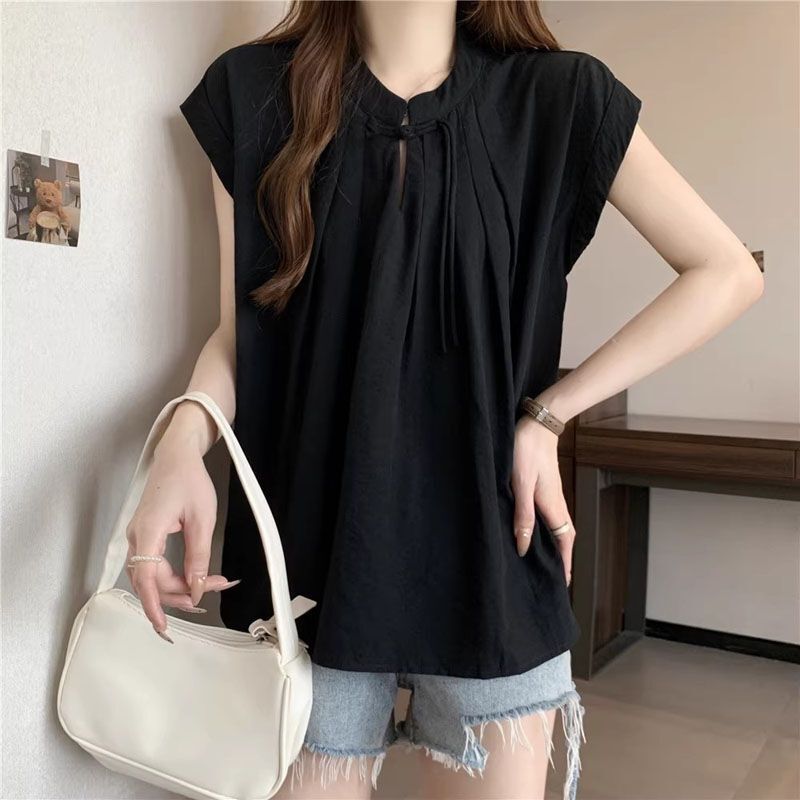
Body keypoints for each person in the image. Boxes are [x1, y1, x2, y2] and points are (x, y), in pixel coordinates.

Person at [124, 2, 764, 799]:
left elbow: (726, 272)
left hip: (493, 557)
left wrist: (548, 417)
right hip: (309, 564)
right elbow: (242, 333)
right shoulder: (253, 92)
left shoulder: (560, 98)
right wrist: (182, 441)